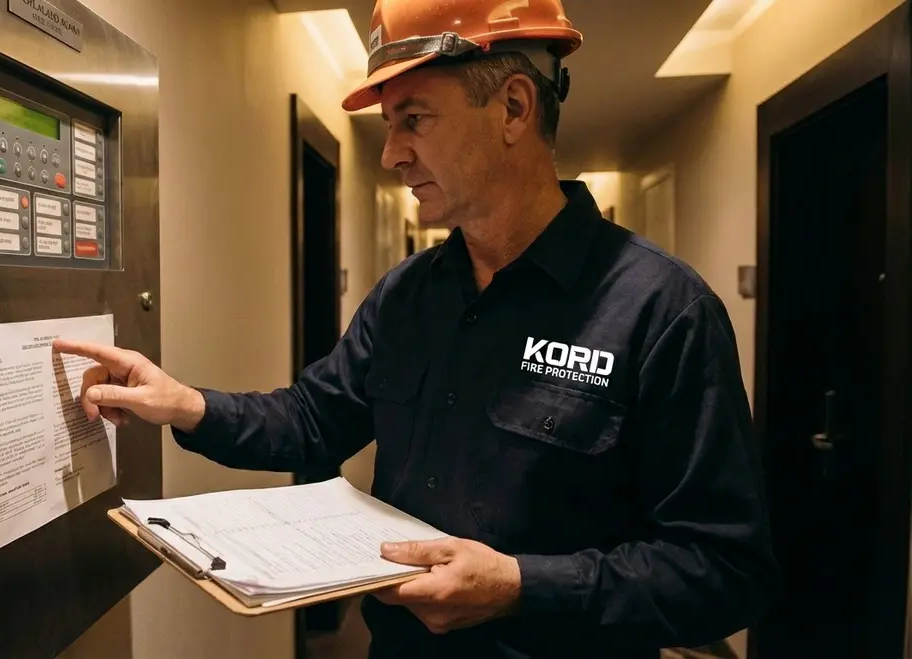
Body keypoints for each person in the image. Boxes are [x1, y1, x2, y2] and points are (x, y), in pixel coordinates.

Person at [54, 0, 780, 656]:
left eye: (414, 119)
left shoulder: (662, 310)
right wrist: (186, 404)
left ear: (514, 108)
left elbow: (724, 571)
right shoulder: (408, 294)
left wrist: (521, 584)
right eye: (389, 125)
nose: (391, 154)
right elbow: (312, 420)